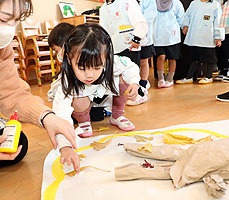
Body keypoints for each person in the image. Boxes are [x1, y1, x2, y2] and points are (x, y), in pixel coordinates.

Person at [0, 0, 76, 196]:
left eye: (16, 21)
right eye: (4, 19)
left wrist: (46, 117)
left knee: (16, 143)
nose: (9, 30)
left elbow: (10, 93)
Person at [47, 23, 140, 170]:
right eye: (82, 68)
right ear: (68, 58)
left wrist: (134, 83)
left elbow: (131, 66)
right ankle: (84, 122)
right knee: (75, 96)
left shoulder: (112, 62)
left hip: (103, 95)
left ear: (106, 58)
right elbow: (61, 115)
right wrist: (65, 146)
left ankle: (117, 115)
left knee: (124, 77)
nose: (89, 74)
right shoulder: (67, 79)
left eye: (97, 67)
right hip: (83, 99)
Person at [99, 0, 149, 104]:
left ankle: (140, 93)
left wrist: (137, 38)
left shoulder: (128, 2)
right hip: (115, 46)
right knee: (119, 73)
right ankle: (125, 94)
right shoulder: (103, 8)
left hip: (130, 44)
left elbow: (140, 21)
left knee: (132, 71)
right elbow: (103, 28)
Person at [175, 0, 224, 84]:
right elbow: (187, 16)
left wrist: (218, 37)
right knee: (194, 58)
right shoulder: (194, 3)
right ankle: (189, 77)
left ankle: (208, 76)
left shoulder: (215, 5)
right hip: (194, 36)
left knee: (209, 58)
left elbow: (218, 21)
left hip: (208, 36)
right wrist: (185, 25)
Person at [126, 0, 157, 106]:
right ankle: (133, 88)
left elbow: (147, 18)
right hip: (129, 38)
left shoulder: (149, 2)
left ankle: (143, 86)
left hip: (144, 37)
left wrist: (138, 32)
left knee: (144, 61)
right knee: (132, 63)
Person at [153, 0, 185, 88]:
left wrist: (182, 28)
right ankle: (160, 79)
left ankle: (170, 79)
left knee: (172, 58)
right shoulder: (153, 2)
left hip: (172, 36)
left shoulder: (176, 3)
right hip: (158, 36)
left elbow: (181, 18)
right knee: (161, 57)